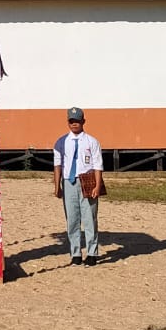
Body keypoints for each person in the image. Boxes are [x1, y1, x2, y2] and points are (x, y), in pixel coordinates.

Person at [53, 106, 105, 266]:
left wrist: (97, 185)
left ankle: (92, 253)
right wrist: (57, 186)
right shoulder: (61, 142)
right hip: (69, 181)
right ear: (67, 122)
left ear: (83, 121)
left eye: (77, 121)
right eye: (71, 121)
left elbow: (98, 165)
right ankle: (75, 253)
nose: (74, 124)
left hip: (87, 180)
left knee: (89, 218)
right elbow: (58, 164)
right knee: (72, 219)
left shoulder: (91, 141)